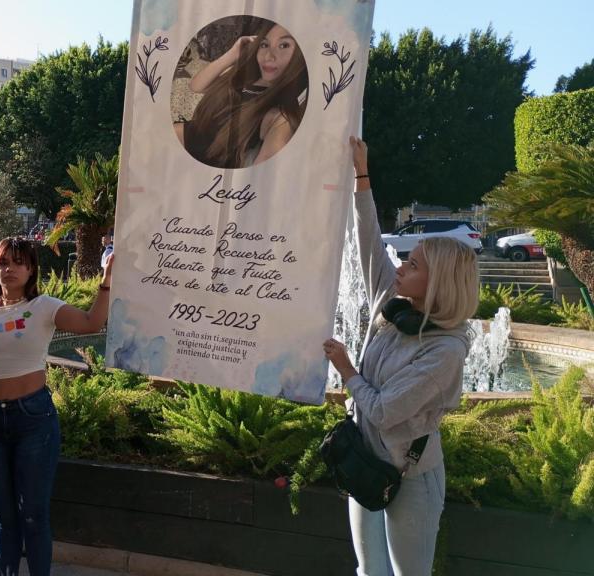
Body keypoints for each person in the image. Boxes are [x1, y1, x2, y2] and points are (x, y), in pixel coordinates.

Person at [322, 137, 479, 575]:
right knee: (369, 570)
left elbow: (387, 410)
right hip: (364, 461)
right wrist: (362, 175)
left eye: (414, 264)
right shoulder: (391, 307)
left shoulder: (445, 351)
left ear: (439, 283)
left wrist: (347, 370)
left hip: (411, 480)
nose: (402, 266)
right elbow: (368, 239)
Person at [0, 237, 113, 576]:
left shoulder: (44, 307)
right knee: (4, 516)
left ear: (31, 268)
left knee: (34, 514)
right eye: (3, 262)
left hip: (33, 419)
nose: (9, 269)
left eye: (18, 262)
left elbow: (92, 323)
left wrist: (107, 279)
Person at [175, 19, 308, 169]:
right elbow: (196, 86)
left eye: (283, 45)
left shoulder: (280, 115)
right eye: (264, 44)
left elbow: (266, 174)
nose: (268, 56)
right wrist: (232, 55)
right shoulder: (245, 75)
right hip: (185, 132)